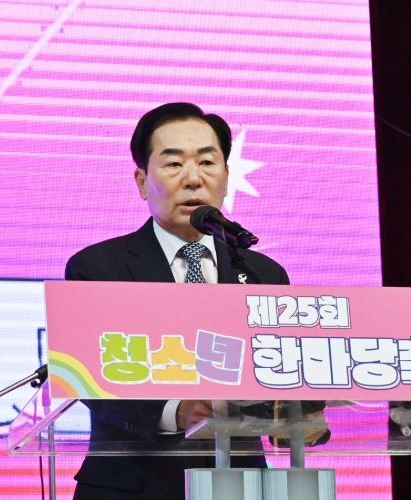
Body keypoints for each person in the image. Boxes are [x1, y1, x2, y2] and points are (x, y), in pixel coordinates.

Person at [66, 102, 289, 499]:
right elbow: (91, 380)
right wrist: (177, 411)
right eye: (173, 164)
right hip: (133, 486)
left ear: (225, 177)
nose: (193, 179)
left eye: (207, 163)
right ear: (141, 181)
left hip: (242, 484)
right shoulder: (98, 267)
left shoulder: (264, 274)